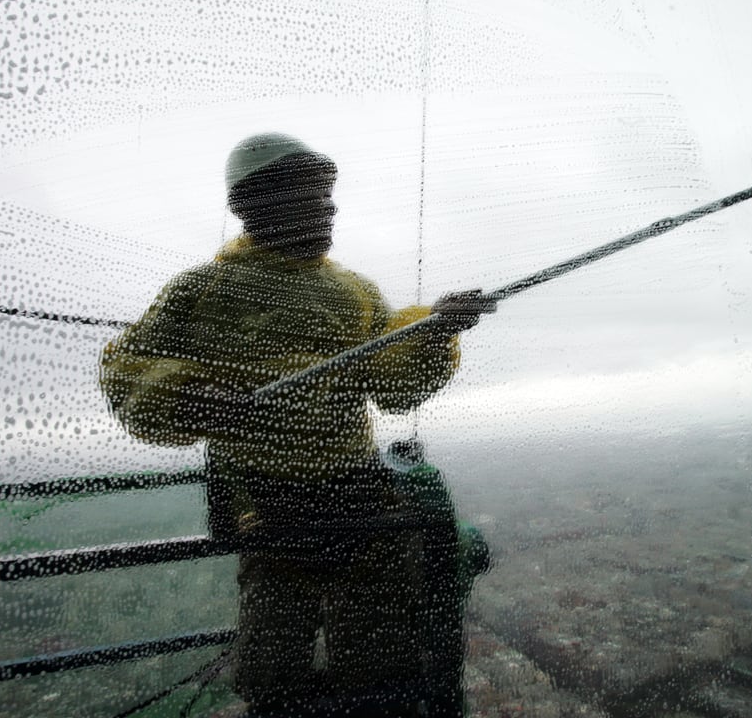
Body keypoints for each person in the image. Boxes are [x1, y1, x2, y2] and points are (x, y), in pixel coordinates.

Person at [99, 133, 494, 717]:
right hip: (269, 507)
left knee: (376, 664)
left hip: (355, 499)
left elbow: (391, 385)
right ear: (249, 206)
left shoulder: (353, 291)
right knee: (272, 669)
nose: (328, 211)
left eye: (328, 198)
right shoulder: (202, 292)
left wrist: (432, 331)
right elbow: (124, 369)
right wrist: (190, 396)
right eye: (309, 197)